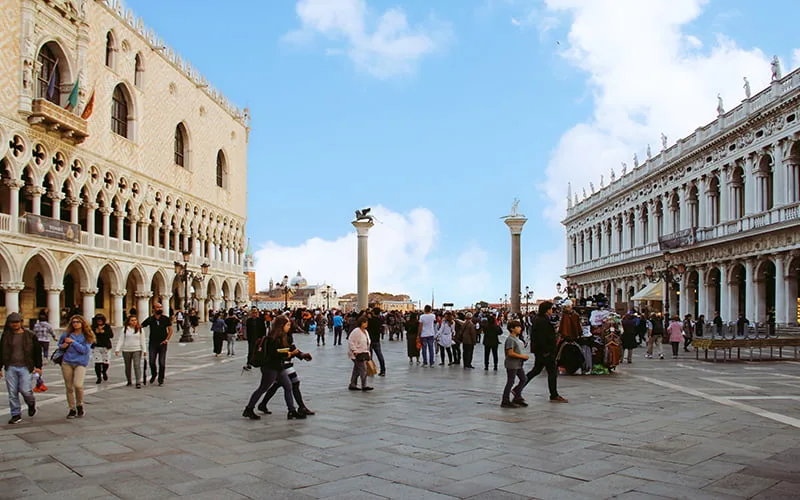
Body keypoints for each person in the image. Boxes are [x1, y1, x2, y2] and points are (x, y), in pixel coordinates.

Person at [243, 316, 305, 420]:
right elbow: (275, 353)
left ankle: (291, 411)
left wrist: (297, 354)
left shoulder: (283, 336)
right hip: (270, 368)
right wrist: (289, 354)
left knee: (288, 386)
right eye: (288, 325)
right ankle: (249, 409)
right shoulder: (274, 337)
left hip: (279, 367)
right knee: (263, 388)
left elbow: (285, 350)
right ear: (281, 326)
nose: (289, 327)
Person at [0, 312, 43, 424]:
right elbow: (1, 352)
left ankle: (31, 403)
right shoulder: (6, 336)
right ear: (9, 324)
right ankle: (16, 414)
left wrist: (38, 367)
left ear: (21, 322)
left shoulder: (30, 335)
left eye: (17, 322)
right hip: (10, 366)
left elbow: (37, 351)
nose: (15, 324)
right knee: (12, 392)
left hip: (25, 366)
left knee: (25, 390)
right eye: (12, 322)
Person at [525, 302, 568, 403]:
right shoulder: (542, 321)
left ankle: (518, 388)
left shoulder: (539, 319)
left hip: (541, 351)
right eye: (551, 309)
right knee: (552, 372)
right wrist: (546, 351)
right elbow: (541, 338)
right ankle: (554, 395)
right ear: (547, 310)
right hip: (545, 352)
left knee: (536, 371)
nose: (552, 311)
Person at [58, 315, 95, 418]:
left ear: (82, 323)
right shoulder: (67, 334)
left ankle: (80, 404)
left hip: (80, 363)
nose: (75, 324)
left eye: (78, 322)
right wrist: (63, 346)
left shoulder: (87, 335)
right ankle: (72, 408)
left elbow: (84, 350)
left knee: (78, 385)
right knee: (69, 387)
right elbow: (60, 345)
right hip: (67, 362)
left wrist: (73, 342)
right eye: (73, 322)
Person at [141, 304, 172, 386]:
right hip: (153, 343)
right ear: (153, 309)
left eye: (161, 307)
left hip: (162, 343)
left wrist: (166, 340)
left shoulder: (165, 318)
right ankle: (154, 374)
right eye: (158, 307)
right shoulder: (150, 319)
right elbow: (141, 326)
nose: (160, 308)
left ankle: (161, 378)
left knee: (162, 362)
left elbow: (170, 330)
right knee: (151, 361)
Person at [501, 320, 529, 408]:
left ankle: (517, 395)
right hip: (512, 364)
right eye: (518, 327)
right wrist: (522, 357)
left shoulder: (516, 338)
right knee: (510, 381)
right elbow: (510, 353)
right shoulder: (510, 339)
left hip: (518, 364)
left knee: (523, 379)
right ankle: (505, 400)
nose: (520, 328)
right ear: (512, 329)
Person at [114, 315, 147, 388]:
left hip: (137, 349)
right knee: (127, 366)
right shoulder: (125, 329)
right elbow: (121, 339)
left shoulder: (140, 329)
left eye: (135, 320)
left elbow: (143, 340)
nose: (134, 322)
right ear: (128, 321)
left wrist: (144, 350)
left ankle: (138, 381)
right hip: (126, 350)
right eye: (132, 320)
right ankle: (129, 380)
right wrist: (117, 349)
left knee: (137, 365)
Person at [348, 315, 373, 391]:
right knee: (363, 369)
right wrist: (354, 350)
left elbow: (367, 342)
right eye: (365, 322)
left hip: (364, 352)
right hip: (357, 353)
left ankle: (352, 384)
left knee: (357, 370)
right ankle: (364, 385)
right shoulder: (356, 331)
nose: (366, 324)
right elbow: (351, 341)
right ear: (361, 323)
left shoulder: (365, 331)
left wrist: (368, 352)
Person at [91, 313, 114, 384]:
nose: (99, 321)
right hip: (96, 346)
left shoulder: (107, 326)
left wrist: (104, 332)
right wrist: (95, 332)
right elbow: (89, 335)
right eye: (98, 320)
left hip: (106, 346)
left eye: (101, 320)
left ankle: (104, 371)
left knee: (106, 362)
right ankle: (98, 377)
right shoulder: (93, 327)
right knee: (97, 362)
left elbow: (111, 335)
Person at [367, 308, 385, 376]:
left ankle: (371, 370)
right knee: (380, 355)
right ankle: (383, 370)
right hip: (377, 339)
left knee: (370, 356)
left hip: (370, 340)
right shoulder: (380, 320)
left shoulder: (370, 321)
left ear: (373, 312)